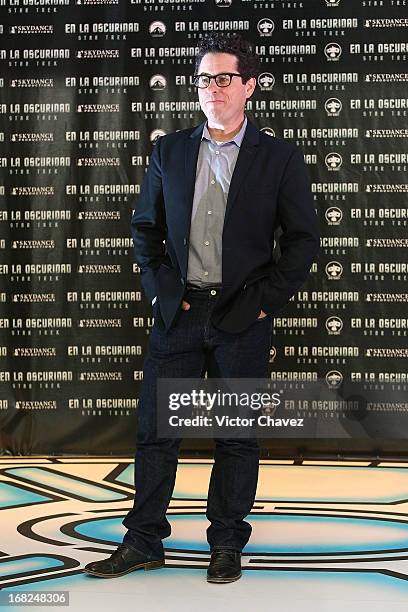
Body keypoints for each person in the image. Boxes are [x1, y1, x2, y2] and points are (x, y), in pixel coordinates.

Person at [84, 32, 320, 583]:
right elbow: (146, 231)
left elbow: (303, 240)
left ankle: (227, 545)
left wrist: (265, 304)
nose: (211, 89)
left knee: (236, 436)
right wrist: (166, 292)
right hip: (180, 315)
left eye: (223, 78)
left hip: (243, 317)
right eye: (203, 79)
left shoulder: (279, 157)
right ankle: (143, 541)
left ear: (249, 88)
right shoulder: (169, 151)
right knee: (156, 434)